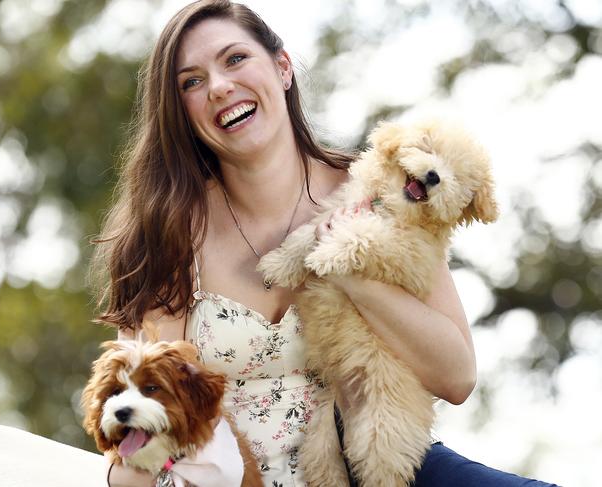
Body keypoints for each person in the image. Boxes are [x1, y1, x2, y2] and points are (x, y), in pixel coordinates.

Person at [92, 1, 559, 486]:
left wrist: (348, 269)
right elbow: (143, 423)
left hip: (378, 464)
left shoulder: (380, 186)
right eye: (192, 81)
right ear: (182, 112)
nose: (219, 86)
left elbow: (457, 377)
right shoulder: (169, 230)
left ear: (283, 66)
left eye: (234, 59)